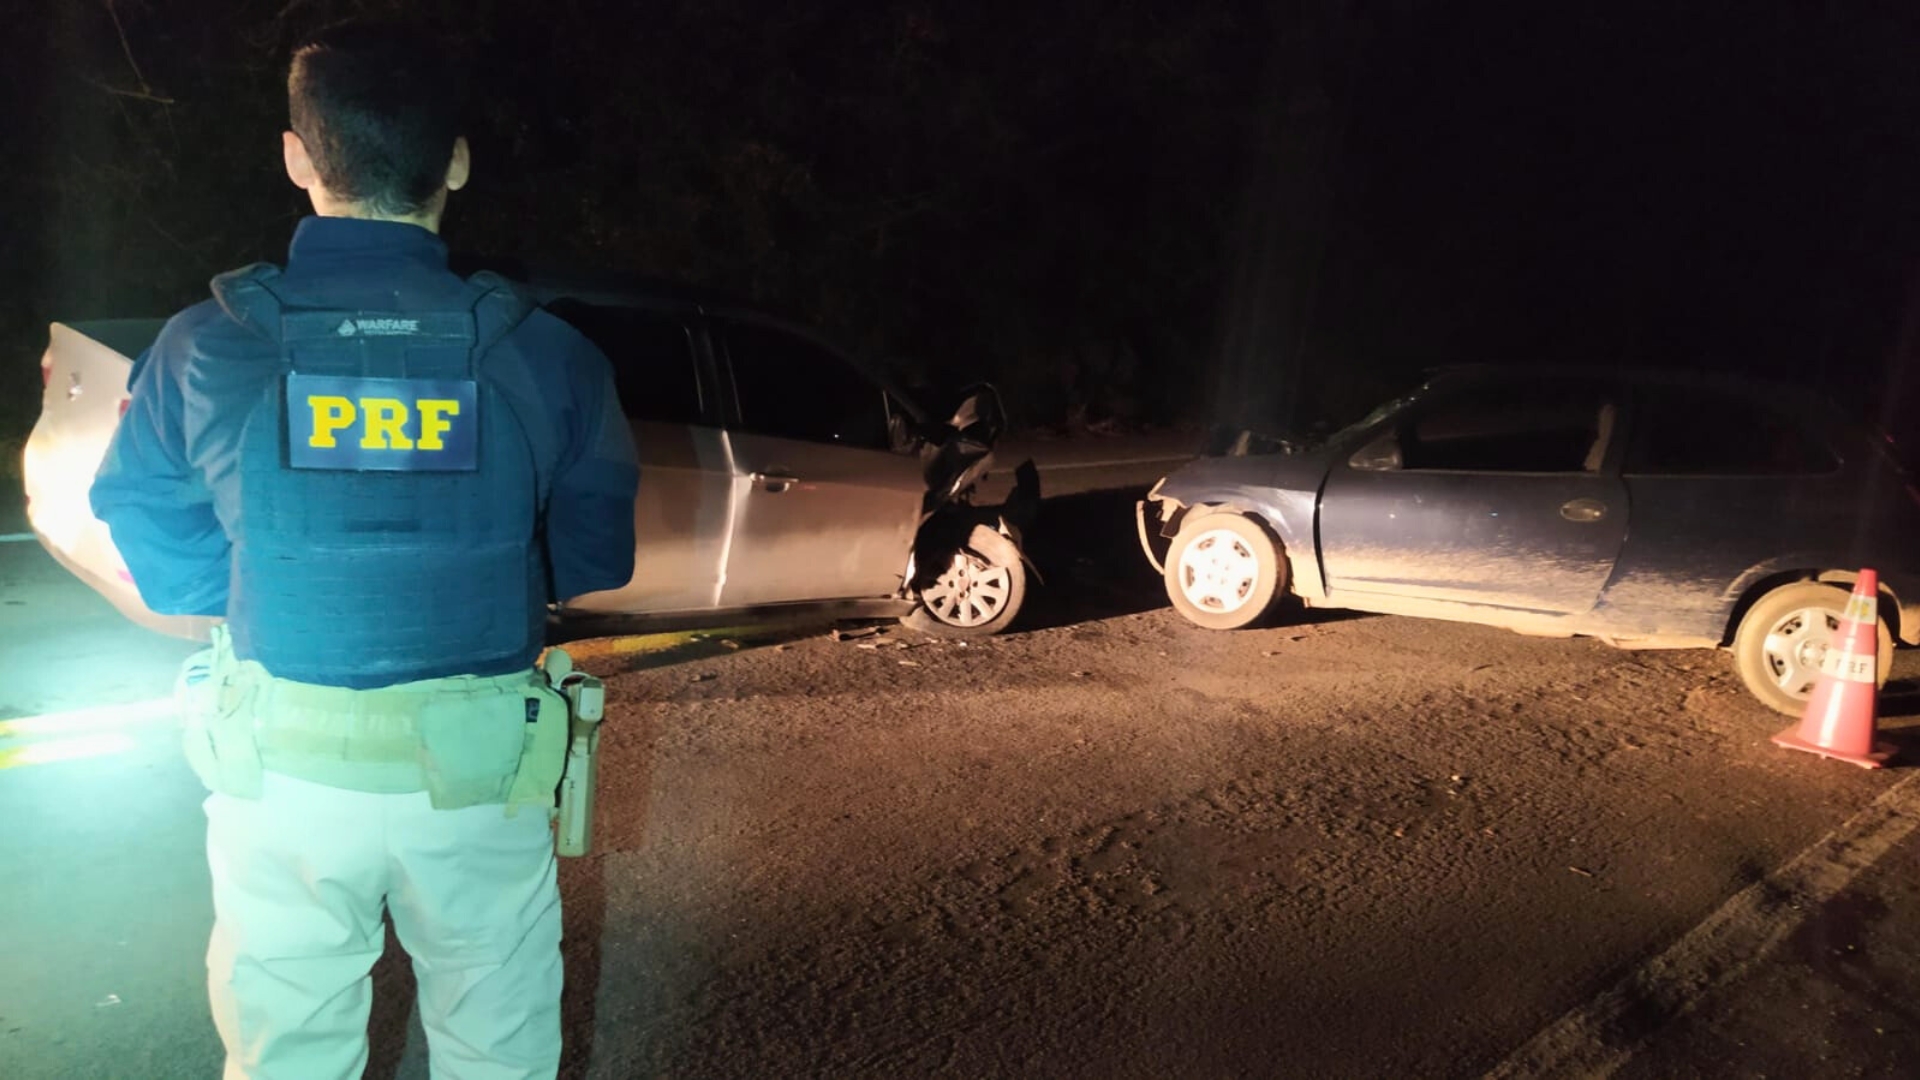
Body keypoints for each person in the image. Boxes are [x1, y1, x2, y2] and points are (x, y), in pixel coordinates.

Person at [89, 20, 639, 1080]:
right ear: (458, 160)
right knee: (499, 1054)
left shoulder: (204, 347)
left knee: (288, 1056)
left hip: (281, 773)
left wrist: (258, 585)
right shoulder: (548, 354)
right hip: (481, 777)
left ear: (299, 155)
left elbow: (147, 528)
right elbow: (593, 556)